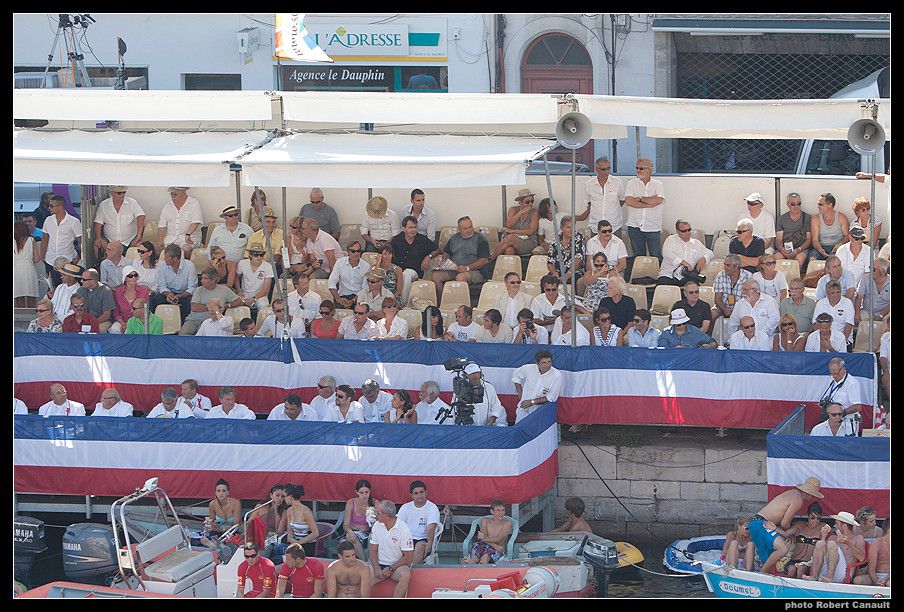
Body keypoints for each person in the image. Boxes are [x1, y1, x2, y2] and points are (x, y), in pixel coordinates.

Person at [749, 476, 824, 574]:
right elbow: (785, 523)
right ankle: (760, 574)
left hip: (756, 523)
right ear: (809, 493)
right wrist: (791, 534)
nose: (812, 497)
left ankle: (754, 575)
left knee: (770, 565)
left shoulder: (792, 493)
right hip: (762, 524)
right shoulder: (798, 500)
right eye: (813, 495)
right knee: (783, 549)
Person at [429, 215, 491, 302]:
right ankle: (443, 303)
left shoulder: (480, 239)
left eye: (470, 227)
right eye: (465, 228)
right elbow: (446, 252)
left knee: (460, 277)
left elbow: (484, 260)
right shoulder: (454, 238)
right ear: (459, 229)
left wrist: (467, 268)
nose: (469, 230)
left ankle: (459, 305)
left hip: (475, 271)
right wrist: (444, 260)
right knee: (435, 276)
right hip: (455, 268)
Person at [801, 511, 865, 584]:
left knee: (831, 543)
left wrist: (848, 543)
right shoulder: (833, 537)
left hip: (843, 573)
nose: (834, 526)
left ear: (844, 526)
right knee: (820, 543)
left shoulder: (858, 538)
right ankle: (814, 576)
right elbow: (822, 553)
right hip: (825, 570)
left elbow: (862, 558)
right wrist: (823, 537)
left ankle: (830, 577)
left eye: (837, 523)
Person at [369, 500, 414, 598]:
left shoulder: (404, 529)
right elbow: (372, 550)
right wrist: (376, 568)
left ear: (386, 515)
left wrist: (390, 568)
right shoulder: (377, 525)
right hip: (378, 564)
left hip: (396, 566)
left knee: (405, 574)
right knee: (362, 578)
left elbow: (409, 557)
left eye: (378, 513)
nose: (376, 515)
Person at [624, 157, 665, 261]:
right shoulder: (631, 183)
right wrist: (648, 204)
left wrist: (641, 199)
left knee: (655, 256)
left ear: (650, 170)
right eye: (637, 168)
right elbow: (629, 201)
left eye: (641, 168)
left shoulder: (658, 184)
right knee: (638, 257)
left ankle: (656, 276)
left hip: (652, 225)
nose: (638, 170)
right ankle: (639, 276)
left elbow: (658, 200)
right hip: (634, 225)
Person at [773, 502, 829, 578]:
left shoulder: (822, 527)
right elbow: (786, 533)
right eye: (812, 517)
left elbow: (824, 546)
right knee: (792, 570)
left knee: (800, 569)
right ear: (808, 515)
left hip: (808, 562)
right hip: (794, 559)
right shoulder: (799, 525)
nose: (815, 521)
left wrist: (824, 536)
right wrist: (774, 528)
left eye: (818, 518)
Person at [179, 268, 241, 336]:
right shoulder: (198, 290)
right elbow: (194, 307)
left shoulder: (224, 290)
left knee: (202, 337)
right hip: (192, 320)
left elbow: (239, 301)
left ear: (213, 280)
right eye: (202, 278)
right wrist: (212, 307)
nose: (201, 281)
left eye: (205, 278)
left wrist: (227, 305)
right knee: (182, 335)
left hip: (209, 321)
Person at [390, 215, 434, 306]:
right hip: (397, 270)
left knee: (407, 273)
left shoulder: (422, 240)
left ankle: (403, 304)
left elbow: (438, 249)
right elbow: (389, 254)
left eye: (415, 227)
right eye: (410, 227)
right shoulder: (396, 240)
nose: (413, 230)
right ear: (403, 228)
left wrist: (428, 257)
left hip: (415, 271)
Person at [41, 194, 82, 288]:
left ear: (60, 207)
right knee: (53, 287)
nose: (49, 208)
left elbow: (81, 240)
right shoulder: (48, 220)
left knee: (69, 286)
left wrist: (79, 257)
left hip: (67, 259)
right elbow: (45, 238)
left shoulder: (73, 221)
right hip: (50, 260)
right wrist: (42, 255)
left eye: (51, 206)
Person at [396, 481, 441, 565]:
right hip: (407, 538)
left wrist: (429, 543)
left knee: (420, 547)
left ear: (426, 492)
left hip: (423, 539)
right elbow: (398, 525)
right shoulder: (406, 507)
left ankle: (412, 571)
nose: (419, 496)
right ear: (411, 495)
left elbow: (431, 527)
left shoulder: (432, 507)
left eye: (421, 492)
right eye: (416, 493)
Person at [151, 243, 197, 324]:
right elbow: (162, 286)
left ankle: (184, 325)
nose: (164, 259)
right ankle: (155, 324)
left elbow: (192, 288)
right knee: (154, 299)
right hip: (169, 294)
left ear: (175, 258)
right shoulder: (163, 266)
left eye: (167, 257)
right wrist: (168, 294)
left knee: (190, 303)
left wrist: (180, 296)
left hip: (184, 295)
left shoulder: (189, 266)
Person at [657, 219, 713, 286]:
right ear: (677, 231)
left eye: (689, 230)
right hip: (668, 275)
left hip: (686, 277)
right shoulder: (671, 239)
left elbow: (710, 253)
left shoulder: (696, 243)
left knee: (694, 288)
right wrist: (683, 262)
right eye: (684, 231)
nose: (687, 233)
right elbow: (666, 254)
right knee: (663, 288)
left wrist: (704, 258)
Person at [512, 349, 562, 423]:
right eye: (544, 362)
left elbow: (551, 397)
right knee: (520, 432)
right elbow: (516, 375)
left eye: (549, 362)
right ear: (537, 363)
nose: (547, 365)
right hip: (522, 410)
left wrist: (531, 402)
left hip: (540, 412)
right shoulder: (528, 368)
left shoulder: (557, 375)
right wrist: (520, 395)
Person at [818, 358, 863, 436]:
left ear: (843, 369)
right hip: (833, 422)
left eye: (836, 373)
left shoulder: (852, 383)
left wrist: (840, 413)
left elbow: (858, 407)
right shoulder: (832, 379)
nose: (834, 376)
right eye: (832, 374)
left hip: (848, 423)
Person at [713, 255, 753, 341]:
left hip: (741, 308)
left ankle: (743, 340)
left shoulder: (748, 276)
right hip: (723, 306)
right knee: (713, 314)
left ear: (736, 266)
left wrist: (736, 311)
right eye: (724, 264)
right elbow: (717, 299)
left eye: (728, 265)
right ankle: (711, 339)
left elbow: (749, 299)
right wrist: (725, 309)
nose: (725, 267)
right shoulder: (720, 275)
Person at [157, 187, 203, 259]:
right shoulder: (167, 206)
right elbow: (162, 226)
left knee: (186, 249)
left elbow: (196, 222)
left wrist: (188, 234)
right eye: (171, 194)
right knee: (158, 249)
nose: (172, 197)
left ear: (184, 193)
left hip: (189, 238)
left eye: (175, 194)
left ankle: (186, 267)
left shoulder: (194, 203)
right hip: (171, 238)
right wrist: (160, 242)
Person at [491, 188, 539, 258]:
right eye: (527, 202)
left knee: (511, 238)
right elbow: (508, 225)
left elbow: (531, 231)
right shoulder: (513, 209)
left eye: (532, 201)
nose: (530, 204)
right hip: (512, 241)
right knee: (509, 250)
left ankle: (490, 259)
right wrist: (520, 213)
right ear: (520, 202)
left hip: (528, 241)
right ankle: (509, 269)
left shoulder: (534, 212)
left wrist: (511, 231)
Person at [585, 156, 626, 237]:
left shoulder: (617, 182)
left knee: (615, 249)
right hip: (596, 226)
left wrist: (611, 209)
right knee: (596, 249)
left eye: (608, 168)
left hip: (614, 225)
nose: (607, 171)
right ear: (597, 169)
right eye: (603, 169)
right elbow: (589, 203)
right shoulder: (588, 184)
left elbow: (622, 200)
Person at [462, 500, 513, 565]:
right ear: (492, 511)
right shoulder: (485, 521)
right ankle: (468, 564)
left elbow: (498, 539)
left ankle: (480, 569)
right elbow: (483, 538)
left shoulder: (507, 524)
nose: (501, 513)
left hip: (496, 549)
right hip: (484, 545)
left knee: (485, 557)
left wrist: (484, 539)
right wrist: (494, 545)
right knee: (475, 558)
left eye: (503, 510)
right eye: (498, 510)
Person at [774, 192, 812, 269]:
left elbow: (809, 239)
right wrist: (782, 249)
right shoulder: (781, 219)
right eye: (793, 204)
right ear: (788, 204)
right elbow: (778, 239)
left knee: (800, 258)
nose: (796, 206)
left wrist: (798, 249)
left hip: (801, 249)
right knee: (778, 257)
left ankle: (797, 279)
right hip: (785, 248)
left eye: (798, 203)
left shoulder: (807, 218)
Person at [328, 240, 369, 310]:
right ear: (348, 252)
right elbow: (331, 282)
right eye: (353, 251)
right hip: (342, 296)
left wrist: (353, 300)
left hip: (358, 297)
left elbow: (365, 288)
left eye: (358, 251)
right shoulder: (340, 262)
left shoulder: (366, 266)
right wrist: (338, 298)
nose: (356, 253)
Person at [812, 281, 855, 347]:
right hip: (823, 338)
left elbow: (849, 325)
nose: (836, 295)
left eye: (838, 292)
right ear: (827, 293)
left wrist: (841, 341)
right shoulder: (820, 303)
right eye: (832, 293)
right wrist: (821, 340)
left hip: (843, 339)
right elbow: (815, 324)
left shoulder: (848, 303)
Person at [342, 479, 376, 560]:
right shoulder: (351, 503)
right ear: (356, 492)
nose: (364, 495)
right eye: (361, 492)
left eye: (366, 492)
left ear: (370, 491)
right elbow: (345, 525)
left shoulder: (375, 503)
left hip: (367, 534)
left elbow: (380, 523)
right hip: (351, 532)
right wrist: (350, 532)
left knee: (349, 539)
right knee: (343, 543)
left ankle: (364, 563)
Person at [235, 242, 274, 313]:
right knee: (236, 306)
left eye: (261, 255)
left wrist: (253, 299)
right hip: (244, 293)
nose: (259, 257)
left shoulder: (268, 266)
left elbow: (266, 289)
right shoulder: (242, 263)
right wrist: (239, 291)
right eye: (256, 255)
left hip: (260, 295)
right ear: (250, 255)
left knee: (264, 305)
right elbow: (236, 277)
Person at [110, 266, 150, 334]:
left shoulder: (144, 291)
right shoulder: (118, 292)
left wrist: (129, 324)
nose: (134, 277)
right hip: (121, 321)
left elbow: (144, 311)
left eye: (135, 275)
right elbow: (116, 311)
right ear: (125, 278)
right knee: (114, 329)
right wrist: (122, 323)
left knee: (128, 331)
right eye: (130, 276)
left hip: (138, 321)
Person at [546, 216, 586, 285]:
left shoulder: (579, 238)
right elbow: (550, 262)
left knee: (571, 281)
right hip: (558, 272)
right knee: (547, 281)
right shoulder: (556, 240)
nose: (571, 230)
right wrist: (555, 273)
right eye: (568, 227)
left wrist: (568, 274)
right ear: (562, 228)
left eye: (573, 227)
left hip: (574, 272)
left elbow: (578, 260)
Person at [810, 192, 850, 260]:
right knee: (812, 259)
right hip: (822, 247)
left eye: (820, 204)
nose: (818, 206)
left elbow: (847, 236)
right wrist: (820, 249)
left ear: (830, 205)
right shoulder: (815, 219)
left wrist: (840, 244)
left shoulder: (841, 217)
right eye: (818, 204)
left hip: (838, 247)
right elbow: (815, 240)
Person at [75, 268, 116, 333]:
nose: (81, 281)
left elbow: (106, 315)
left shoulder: (105, 291)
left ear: (93, 281)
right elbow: (77, 309)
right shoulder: (81, 290)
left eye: (84, 279)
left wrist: (92, 323)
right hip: (85, 321)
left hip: (102, 321)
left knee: (96, 330)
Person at [283, 484, 320, 556]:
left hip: (307, 544)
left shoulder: (305, 511)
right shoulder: (289, 510)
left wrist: (299, 542)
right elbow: (289, 529)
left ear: (290, 497)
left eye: (284, 496)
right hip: (295, 544)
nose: (283, 499)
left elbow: (315, 533)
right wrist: (290, 539)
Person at [854, 518, 890, 586]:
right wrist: (877, 582)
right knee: (858, 580)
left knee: (889, 583)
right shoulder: (876, 543)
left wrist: (886, 579)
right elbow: (871, 568)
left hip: (889, 577)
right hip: (877, 575)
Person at [855, 257, 890, 326]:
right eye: (870, 268)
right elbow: (859, 298)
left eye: (873, 269)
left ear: (883, 272)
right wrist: (857, 313)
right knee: (860, 320)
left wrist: (881, 315)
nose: (871, 271)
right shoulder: (865, 278)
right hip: (867, 311)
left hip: (885, 313)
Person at [207, 478, 242, 544]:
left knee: (231, 543)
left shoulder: (236, 503)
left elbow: (236, 525)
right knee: (211, 539)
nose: (221, 493)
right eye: (218, 491)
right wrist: (210, 525)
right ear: (215, 493)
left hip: (232, 532)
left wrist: (221, 529)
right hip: (217, 533)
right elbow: (211, 522)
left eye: (224, 491)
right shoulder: (212, 504)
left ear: (228, 492)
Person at [14, 221, 41, 307]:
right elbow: (37, 259)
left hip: (15, 271)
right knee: (31, 296)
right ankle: (31, 318)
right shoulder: (31, 240)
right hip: (29, 269)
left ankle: (20, 316)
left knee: (18, 297)